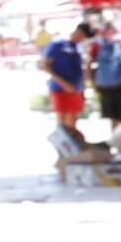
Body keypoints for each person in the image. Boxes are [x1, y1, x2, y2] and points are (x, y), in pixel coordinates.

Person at [39, 15, 93, 170]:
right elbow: (46, 65)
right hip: (60, 89)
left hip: (76, 89)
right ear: (77, 31)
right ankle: (63, 154)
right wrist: (63, 83)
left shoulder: (80, 48)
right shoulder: (58, 44)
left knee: (73, 121)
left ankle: (73, 153)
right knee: (63, 123)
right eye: (82, 35)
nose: (82, 39)